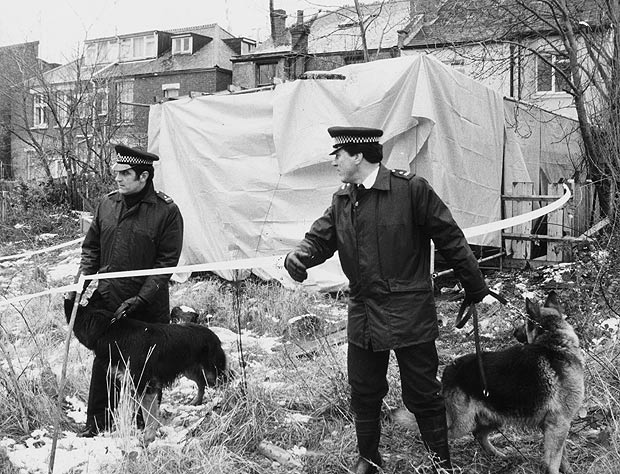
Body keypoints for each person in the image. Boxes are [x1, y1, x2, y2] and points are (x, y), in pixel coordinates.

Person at [284, 127, 488, 473]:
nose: (334, 160)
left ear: (359, 156)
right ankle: (368, 459)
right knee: (364, 390)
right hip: (363, 311)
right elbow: (319, 238)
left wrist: (474, 285)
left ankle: (441, 463)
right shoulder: (342, 200)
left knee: (421, 393)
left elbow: (450, 237)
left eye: (339, 154)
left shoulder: (411, 191)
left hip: (409, 312)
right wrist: (300, 256)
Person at [77, 144, 184, 437]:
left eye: (126, 173)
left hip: (147, 306)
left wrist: (141, 298)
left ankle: (143, 423)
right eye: (117, 173)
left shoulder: (166, 212)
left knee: (147, 365)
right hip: (109, 300)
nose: (119, 179)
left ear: (144, 177)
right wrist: (82, 281)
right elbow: (92, 249)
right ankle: (98, 423)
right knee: (105, 360)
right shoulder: (107, 205)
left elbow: (166, 263)